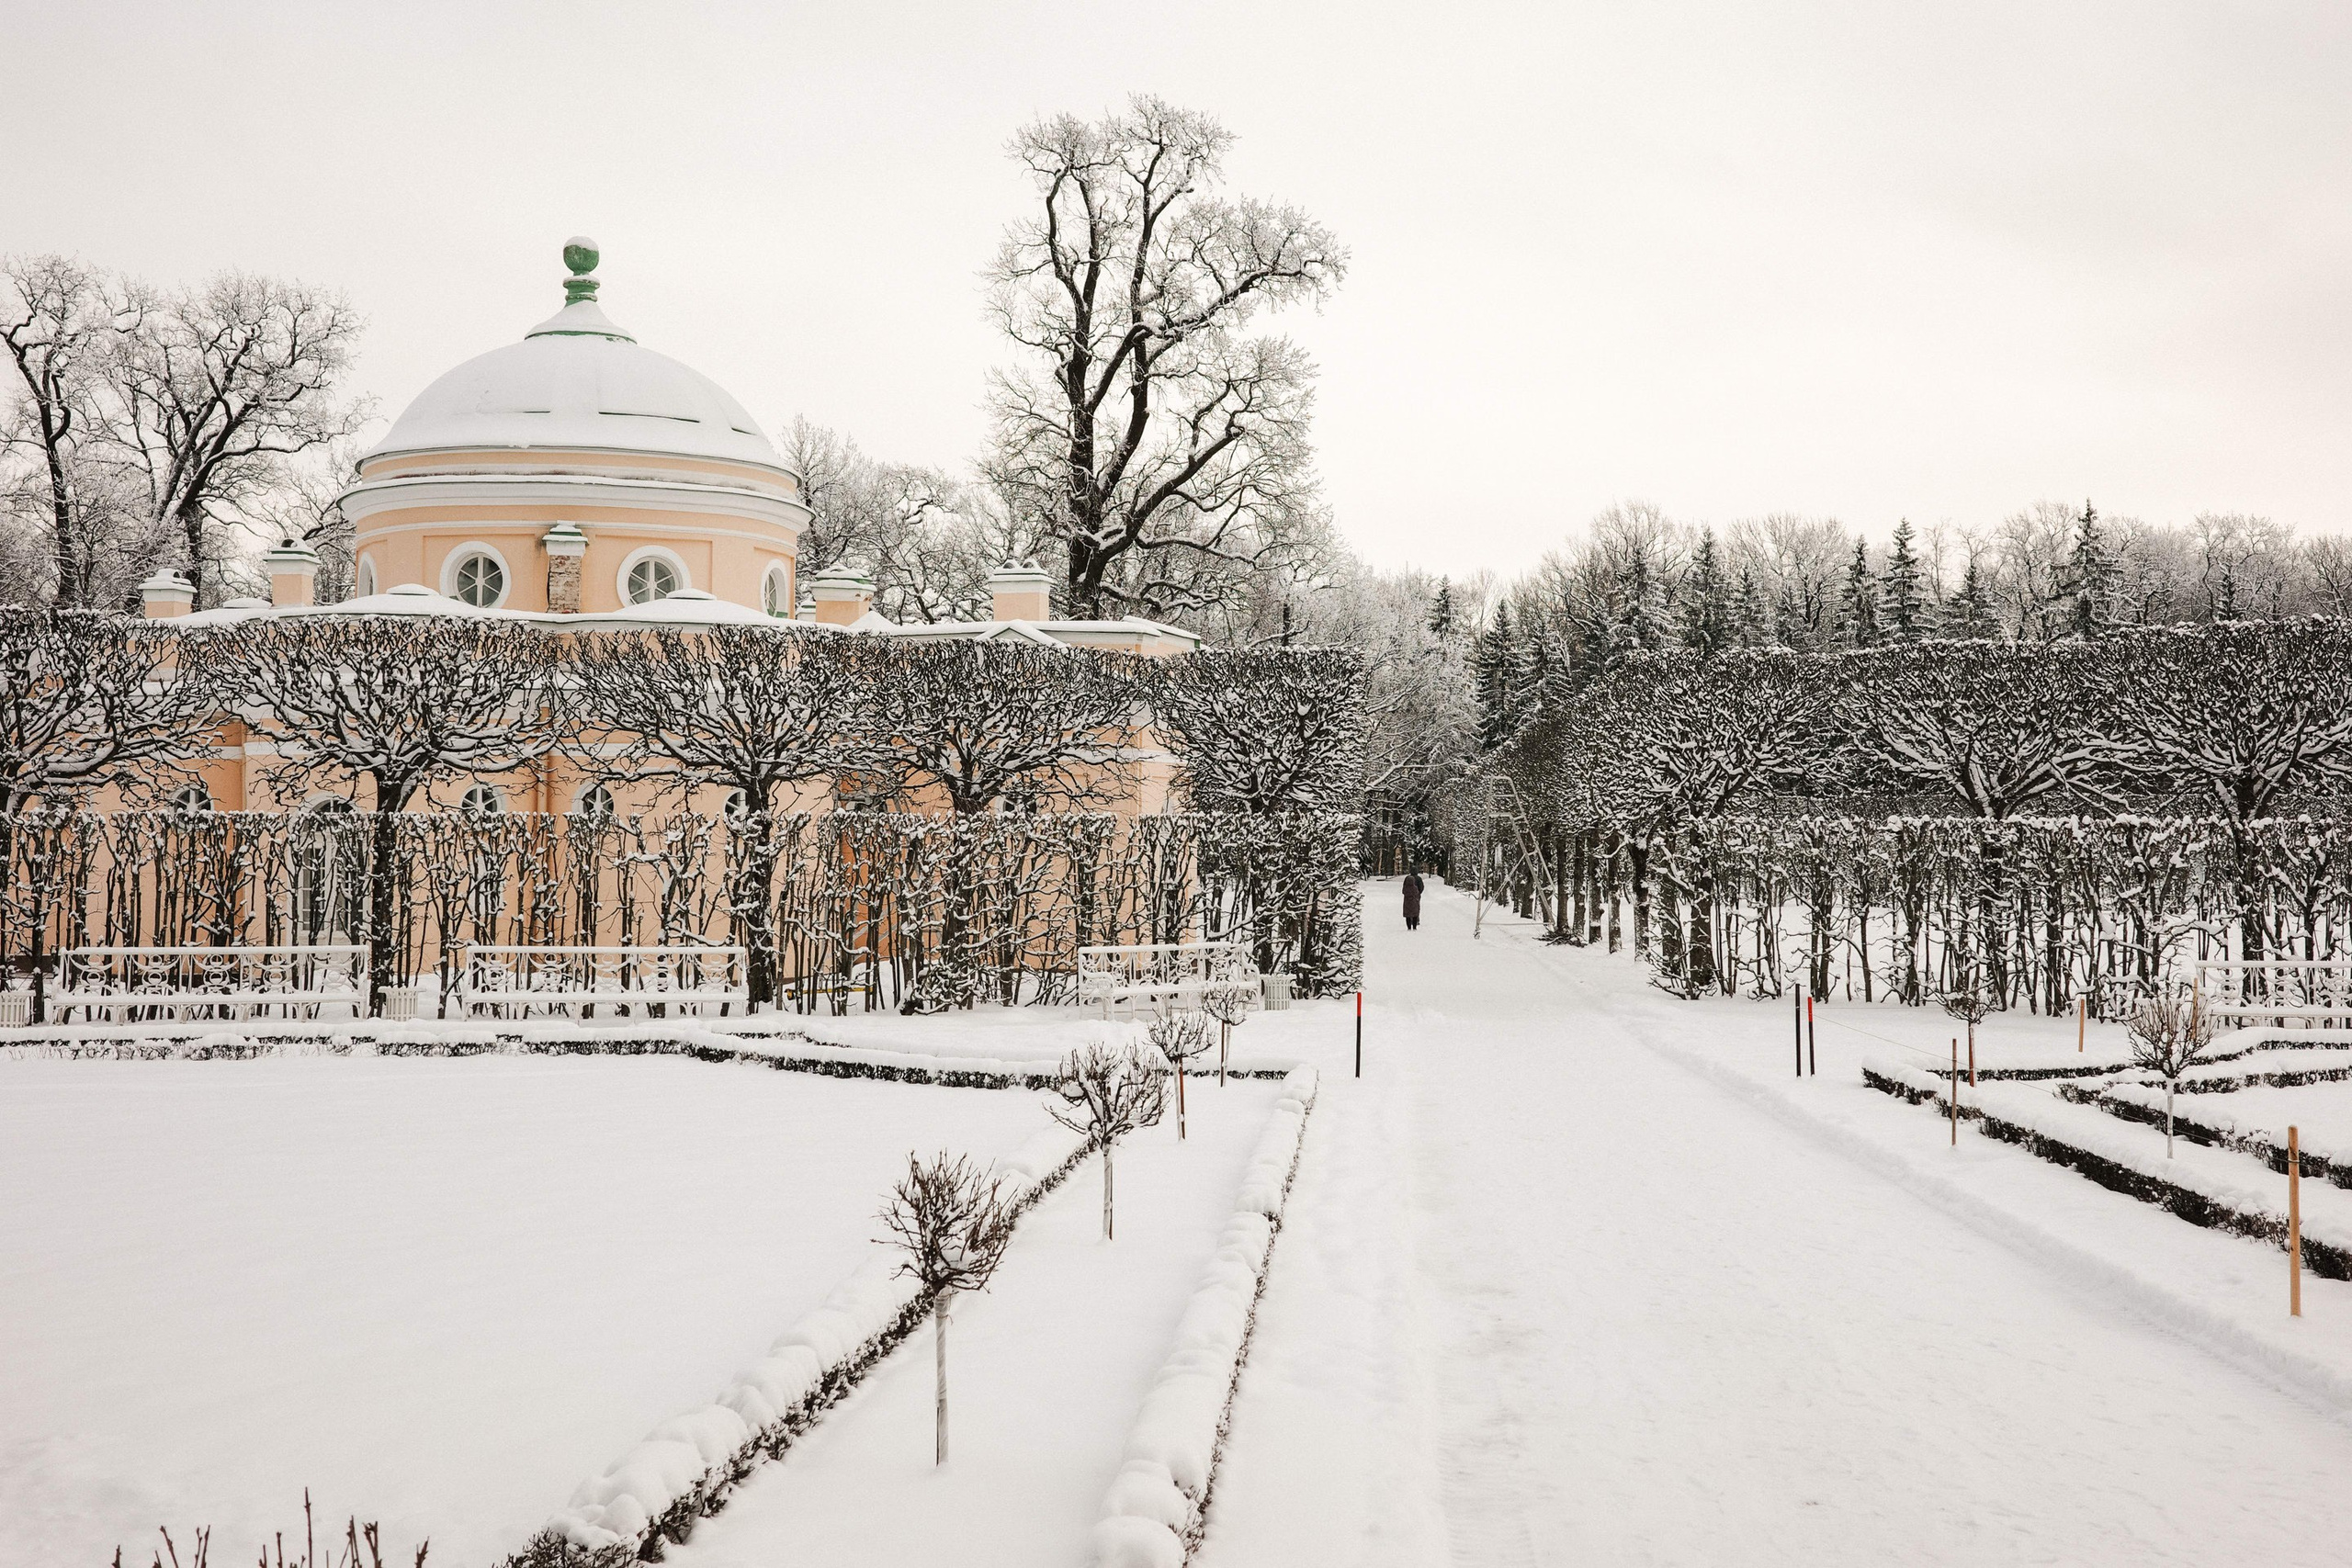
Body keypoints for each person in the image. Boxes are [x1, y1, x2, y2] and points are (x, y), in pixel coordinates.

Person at [1402, 866, 1424, 931]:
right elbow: (1421, 887)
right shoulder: (1419, 878)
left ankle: (1410, 921)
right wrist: (1419, 893)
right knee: (1416, 907)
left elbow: (1404, 887)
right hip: (1416, 896)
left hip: (1407, 897)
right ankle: (1416, 919)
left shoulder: (1407, 878)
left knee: (1408, 908)